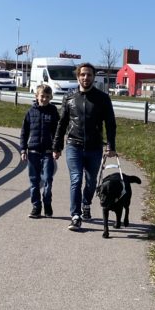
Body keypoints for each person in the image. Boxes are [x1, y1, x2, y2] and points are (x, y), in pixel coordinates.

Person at [52, 62, 117, 230]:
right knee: (76, 179)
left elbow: (110, 124)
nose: (85, 77)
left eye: (89, 75)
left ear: (94, 77)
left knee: (91, 181)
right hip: (74, 144)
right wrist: (57, 146)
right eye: (82, 74)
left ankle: (86, 203)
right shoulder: (69, 97)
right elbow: (62, 123)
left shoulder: (102, 99)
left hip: (95, 147)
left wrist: (110, 145)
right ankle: (75, 215)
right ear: (77, 76)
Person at [19, 84, 60, 218]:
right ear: (37, 96)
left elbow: (58, 132)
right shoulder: (31, 112)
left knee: (48, 179)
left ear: (50, 97)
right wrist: (23, 149)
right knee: (34, 180)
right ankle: (36, 206)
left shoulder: (53, 112)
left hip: (48, 152)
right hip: (33, 152)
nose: (44, 99)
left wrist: (57, 148)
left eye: (47, 97)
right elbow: (24, 132)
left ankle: (47, 203)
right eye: (42, 96)